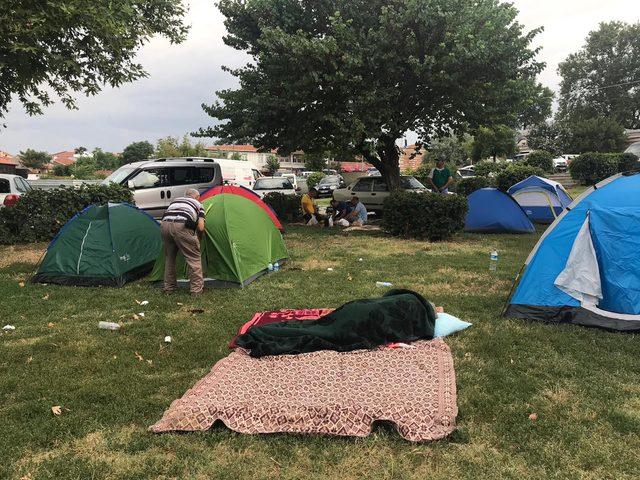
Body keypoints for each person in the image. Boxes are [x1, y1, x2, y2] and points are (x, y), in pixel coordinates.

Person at [161, 188, 206, 296]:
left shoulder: (175, 201)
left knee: (169, 258)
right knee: (193, 258)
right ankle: (196, 290)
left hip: (164, 225)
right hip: (181, 226)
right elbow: (200, 227)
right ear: (197, 197)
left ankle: (169, 288)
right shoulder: (199, 204)